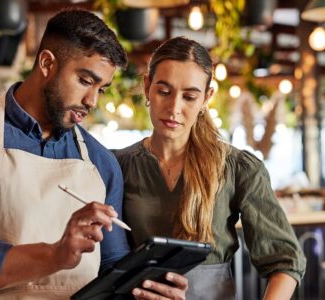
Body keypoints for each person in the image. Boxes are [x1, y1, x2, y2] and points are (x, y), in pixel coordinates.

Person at [0, 10, 186, 299]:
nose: (91, 101)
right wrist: (55, 255)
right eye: (84, 80)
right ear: (46, 63)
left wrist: (147, 290)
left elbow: (110, 269)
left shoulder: (101, 162)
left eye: (101, 89)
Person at [114, 37, 306, 300]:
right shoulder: (118, 165)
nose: (174, 108)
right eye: (164, 91)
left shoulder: (238, 168)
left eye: (189, 96)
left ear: (207, 97)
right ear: (147, 87)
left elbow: (285, 262)